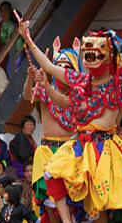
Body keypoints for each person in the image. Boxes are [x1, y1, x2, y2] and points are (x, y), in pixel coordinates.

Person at [18, 17, 122, 221]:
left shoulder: (118, 84)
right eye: (88, 51)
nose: (91, 55)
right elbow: (49, 68)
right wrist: (28, 38)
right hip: (80, 144)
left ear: (109, 55)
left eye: (97, 51)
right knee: (52, 174)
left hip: (105, 148)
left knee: (103, 204)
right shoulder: (82, 81)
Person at [25, 37, 81, 223]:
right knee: (49, 201)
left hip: (70, 152)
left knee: (72, 199)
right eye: (60, 66)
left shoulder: (79, 94)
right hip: (47, 151)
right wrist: (30, 78)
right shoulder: (43, 88)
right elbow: (27, 96)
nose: (63, 71)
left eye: (68, 67)